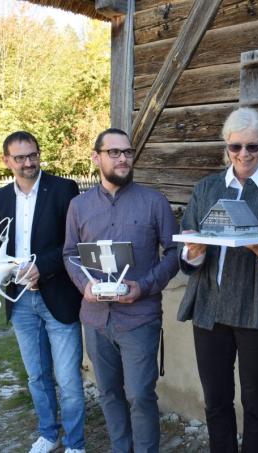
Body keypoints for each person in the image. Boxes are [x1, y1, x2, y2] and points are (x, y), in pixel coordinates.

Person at [176, 107, 258, 453]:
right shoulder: (207, 188)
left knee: (256, 401)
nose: (244, 154)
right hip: (211, 308)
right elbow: (188, 254)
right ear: (226, 146)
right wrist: (193, 250)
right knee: (216, 400)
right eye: (236, 147)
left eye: (253, 146)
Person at [62, 128, 179, 453]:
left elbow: (175, 253)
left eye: (127, 152)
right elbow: (69, 254)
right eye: (114, 152)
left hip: (139, 318)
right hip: (96, 319)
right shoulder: (79, 206)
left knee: (140, 395)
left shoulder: (154, 202)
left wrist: (143, 287)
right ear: (96, 157)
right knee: (109, 393)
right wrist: (85, 286)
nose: (123, 158)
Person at [0, 131, 86, 453]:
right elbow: (0, 244)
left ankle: (75, 443)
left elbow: (73, 244)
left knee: (69, 380)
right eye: (20, 158)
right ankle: (48, 433)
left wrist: (42, 268)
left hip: (58, 294)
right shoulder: (1, 196)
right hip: (18, 300)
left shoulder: (64, 189)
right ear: (7, 161)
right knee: (36, 376)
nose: (29, 162)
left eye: (33, 155)